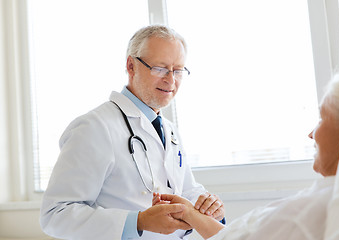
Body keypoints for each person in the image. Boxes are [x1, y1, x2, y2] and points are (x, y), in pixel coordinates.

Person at [40, 25, 225, 240]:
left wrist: (208, 206)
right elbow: (55, 215)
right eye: (160, 68)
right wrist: (139, 221)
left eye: (178, 70)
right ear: (131, 66)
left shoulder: (169, 130)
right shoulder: (95, 127)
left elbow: (185, 191)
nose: (171, 80)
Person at [152, 73, 339, 240]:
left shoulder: (310, 211)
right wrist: (189, 212)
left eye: (322, 118)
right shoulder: (335, 198)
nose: (312, 133)